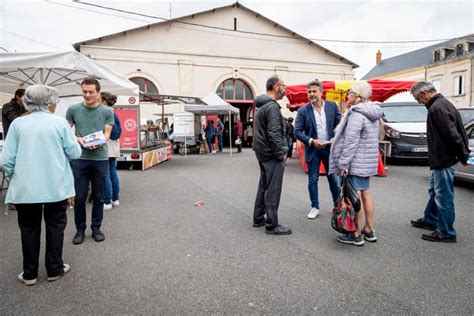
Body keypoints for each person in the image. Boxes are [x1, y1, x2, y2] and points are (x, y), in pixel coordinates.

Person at [0, 85, 81, 285]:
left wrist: (15, 175)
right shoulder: (60, 123)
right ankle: (54, 269)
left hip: (26, 188)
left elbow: (5, 161)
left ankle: (30, 274)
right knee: (55, 226)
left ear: (27, 101)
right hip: (56, 186)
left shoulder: (18, 124)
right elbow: (75, 153)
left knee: (28, 228)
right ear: (50, 103)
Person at [409, 81, 470, 243]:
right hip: (442, 159)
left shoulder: (437, 108)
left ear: (424, 93)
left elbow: (452, 135)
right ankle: (430, 219)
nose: (419, 102)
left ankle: (446, 232)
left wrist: (463, 155)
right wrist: (462, 153)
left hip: (443, 159)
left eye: (418, 98)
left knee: (443, 197)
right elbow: (456, 132)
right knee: (436, 192)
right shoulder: (442, 104)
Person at [329, 81, 383, 246]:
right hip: (366, 162)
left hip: (356, 162)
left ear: (357, 97)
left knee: (354, 198)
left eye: (350, 93)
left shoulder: (357, 114)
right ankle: (369, 229)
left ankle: (356, 234)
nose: (348, 96)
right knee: (365, 193)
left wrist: (343, 164)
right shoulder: (371, 112)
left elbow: (350, 142)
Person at [66, 77, 114, 245]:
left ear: (98, 92)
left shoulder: (107, 111)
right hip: (79, 158)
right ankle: (80, 230)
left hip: (100, 158)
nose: (87, 95)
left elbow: (107, 133)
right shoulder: (73, 109)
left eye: (91, 92)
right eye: (84, 91)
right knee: (79, 197)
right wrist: (78, 139)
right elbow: (66, 132)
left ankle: (96, 228)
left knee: (99, 196)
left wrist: (100, 141)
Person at [294, 79, 341, 220]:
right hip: (313, 150)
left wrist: (336, 137)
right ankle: (315, 207)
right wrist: (311, 141)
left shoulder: (332, 106)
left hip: (329, 148)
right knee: (313, 179)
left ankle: (337, 206)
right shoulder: (303, 110)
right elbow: (297, 131)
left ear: (321, 92)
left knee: (333, 178)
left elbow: (339, 125)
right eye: (309, 92)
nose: (311, 94)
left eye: (314, 91)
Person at [252, 75, 291, 235]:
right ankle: (272, 224)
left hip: (262, 152)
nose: (285, 89)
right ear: (276, 86)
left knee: (264, 186)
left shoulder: (262, 105)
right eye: (283, 85)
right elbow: (274, 133)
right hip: (271, 153)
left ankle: (259, 218)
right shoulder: (272, 107)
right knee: (273, 188)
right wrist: (280, 153)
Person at [101, 92, 122, 211]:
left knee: (106, 174)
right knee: (112, 172)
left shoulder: (106, 113)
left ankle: (107, 200)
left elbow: (113, 133)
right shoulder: (114, 113)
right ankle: (115, 199)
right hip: (114, 146)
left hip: (107, 145)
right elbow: (118, 132)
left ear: (104, 101)